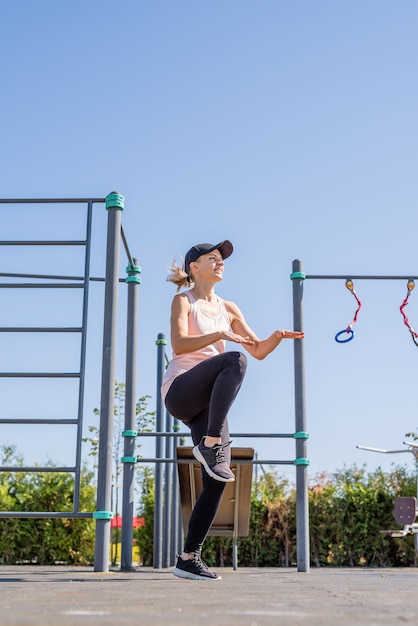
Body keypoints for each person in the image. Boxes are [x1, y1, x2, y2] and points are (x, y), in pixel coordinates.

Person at [161, 240, 304, 580]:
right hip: (181, 389)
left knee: (219, 476)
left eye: (222, 260)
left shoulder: (230, 307)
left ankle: (188, 557)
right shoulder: (184, 301)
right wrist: (219, 334)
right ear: (194, 267)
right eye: (213, 259)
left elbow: (257, 351)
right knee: (233, 359)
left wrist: (276, 337)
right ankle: (210, 443)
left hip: (209, 404)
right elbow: (179, 345)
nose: (220, 263)